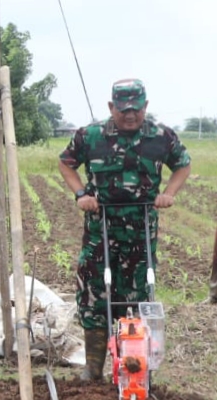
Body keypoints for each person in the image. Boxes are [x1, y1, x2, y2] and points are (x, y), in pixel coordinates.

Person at [58, 78, 191, 381]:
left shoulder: (162, 137)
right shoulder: (89, 136)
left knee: (135, 296)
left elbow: (183, 164)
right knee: (94, 292)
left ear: (145, 106)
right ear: (111, 107)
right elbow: (66, 163)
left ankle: (129, 367)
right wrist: (82, 195)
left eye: (136, 109)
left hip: (140, 232)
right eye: (123, 109)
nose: (130, 115)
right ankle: (93, 368)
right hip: (100, 229)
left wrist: (168, 193)